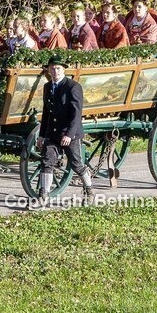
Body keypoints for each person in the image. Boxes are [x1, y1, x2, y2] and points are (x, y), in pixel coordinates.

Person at [36, 54, 93, 205]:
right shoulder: (48, 87)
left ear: (64, 70)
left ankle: (89, 191)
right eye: (52, 69)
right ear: (48, 70)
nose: (55, 71)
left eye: (58, 68)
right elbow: (46, 113)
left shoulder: (73, 87)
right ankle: (43, 196)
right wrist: (42, 135)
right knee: (47, 162)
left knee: (77, 164)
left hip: (69, 134)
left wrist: (69, 134)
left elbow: (76, 114)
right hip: (52, 133)